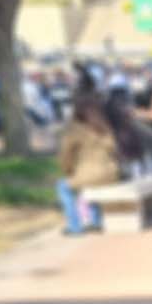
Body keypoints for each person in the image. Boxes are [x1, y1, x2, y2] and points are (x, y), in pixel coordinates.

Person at [57, 89, 120, 233]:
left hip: (89, 174)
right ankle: (95, 221)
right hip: (110, 173)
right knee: (90, 185)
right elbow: (113, 149)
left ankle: (75, 226)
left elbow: (66, 156)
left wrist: (68, 171)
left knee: (63, 186)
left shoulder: (75, 130)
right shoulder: (104, 127)